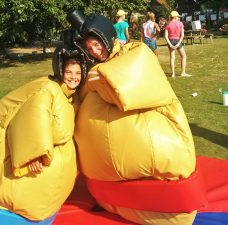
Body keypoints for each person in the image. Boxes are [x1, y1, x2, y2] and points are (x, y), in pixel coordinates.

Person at [67, 9, 202, 225]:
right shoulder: (93, 69)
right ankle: (115, 196)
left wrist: (100, 80)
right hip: (104, 191)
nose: (95, 51)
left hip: (166, 181)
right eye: (89, 48)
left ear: (107, 36)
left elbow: (133, 81)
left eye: (97, 43)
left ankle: (165, 200)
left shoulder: (135, 51)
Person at [0, 31, 86, 221]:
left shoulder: (71, 95)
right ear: (60, 71)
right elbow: (31, 116)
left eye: (77, 73)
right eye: (68, 72)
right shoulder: (48, 89)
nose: (73, 77)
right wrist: (31, 155)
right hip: (30, 150)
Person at [165, 11, 192, 77]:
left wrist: (170, 44)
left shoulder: (168, 24)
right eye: (177, 17)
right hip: (177, 40)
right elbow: (182, 35)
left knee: (172, 57)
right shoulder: (180, 23)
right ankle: (183, 73)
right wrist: (178, 44)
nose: (178, 18)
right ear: (175, 17)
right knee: (184, 56)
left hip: (170, 41)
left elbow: (166, 36)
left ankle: (173, 74)